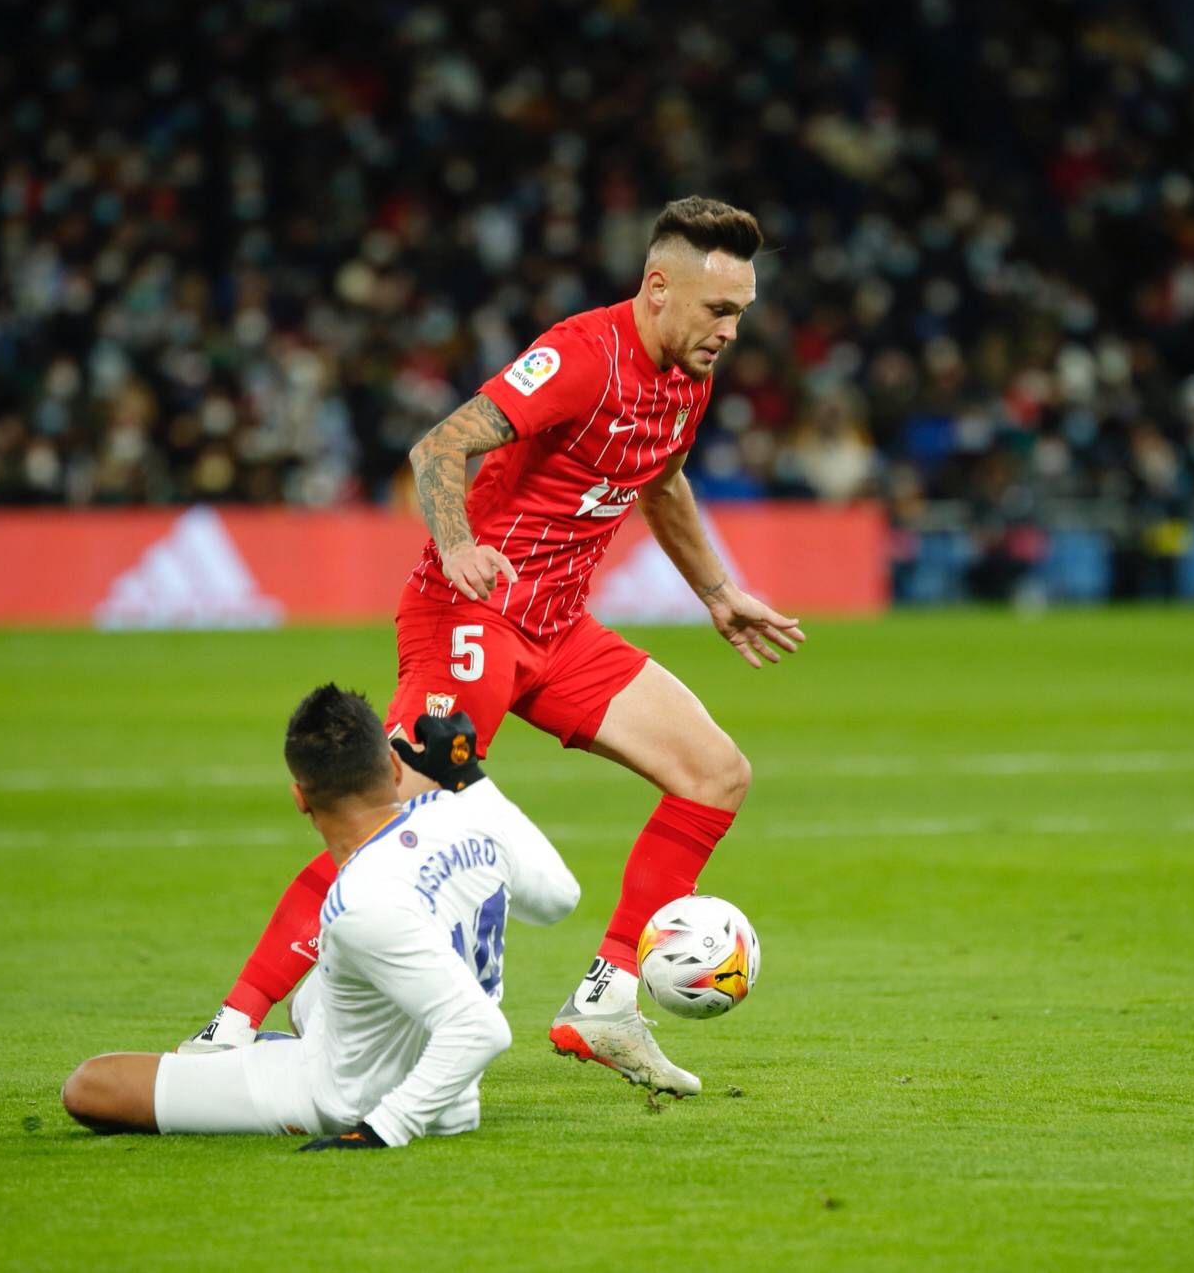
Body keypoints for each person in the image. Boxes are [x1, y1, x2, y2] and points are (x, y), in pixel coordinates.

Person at [184, 198, 803, 1097]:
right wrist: (458, 539)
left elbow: (660, 478)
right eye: (718, 309)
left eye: (740, 311)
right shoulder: (583, 357)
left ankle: (605, 998)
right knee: (385, 828)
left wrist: (716, 591)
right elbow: (440, 443)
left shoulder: (686, 378)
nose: (730, 330)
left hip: (556, 627)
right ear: (658, 285)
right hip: (467, 616)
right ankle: (231, 1025)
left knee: (716, 772)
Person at [62, 691, 579, 1147]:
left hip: (346, 1096)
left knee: (90, 1086)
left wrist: (384, 1128)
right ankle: (255, 1052)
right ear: (395, 770)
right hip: (453, 1087)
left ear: (300, 799)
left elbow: (480, 1029)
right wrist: (470, 778)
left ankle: (252, 1061)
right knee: (311, 1000)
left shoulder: (359, 899)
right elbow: (560, 898)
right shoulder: (462, 813)